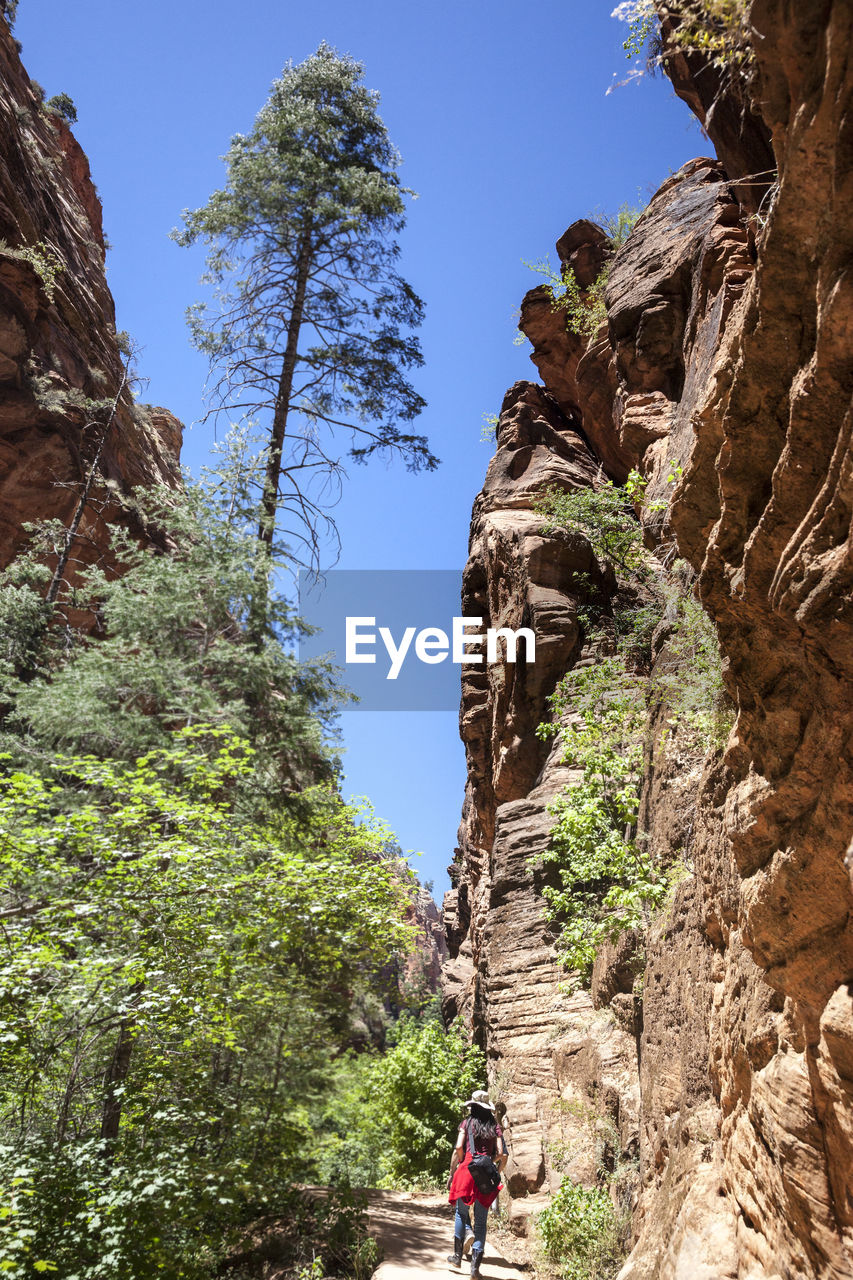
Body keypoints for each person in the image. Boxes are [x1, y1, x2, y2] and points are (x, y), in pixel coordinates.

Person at [446, 1089, 508, 1276]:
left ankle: (457, 1257)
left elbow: (458, 1147)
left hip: (466, 1170)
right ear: (488, 1108)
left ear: (472, 1106)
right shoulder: (494, 1125)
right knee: (481, 1221)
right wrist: (492, 1167)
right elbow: (501, 1154)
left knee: (461, 1213)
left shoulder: (467, 1123)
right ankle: (475, 1269)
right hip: (485, 1173)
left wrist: (465, 1161)